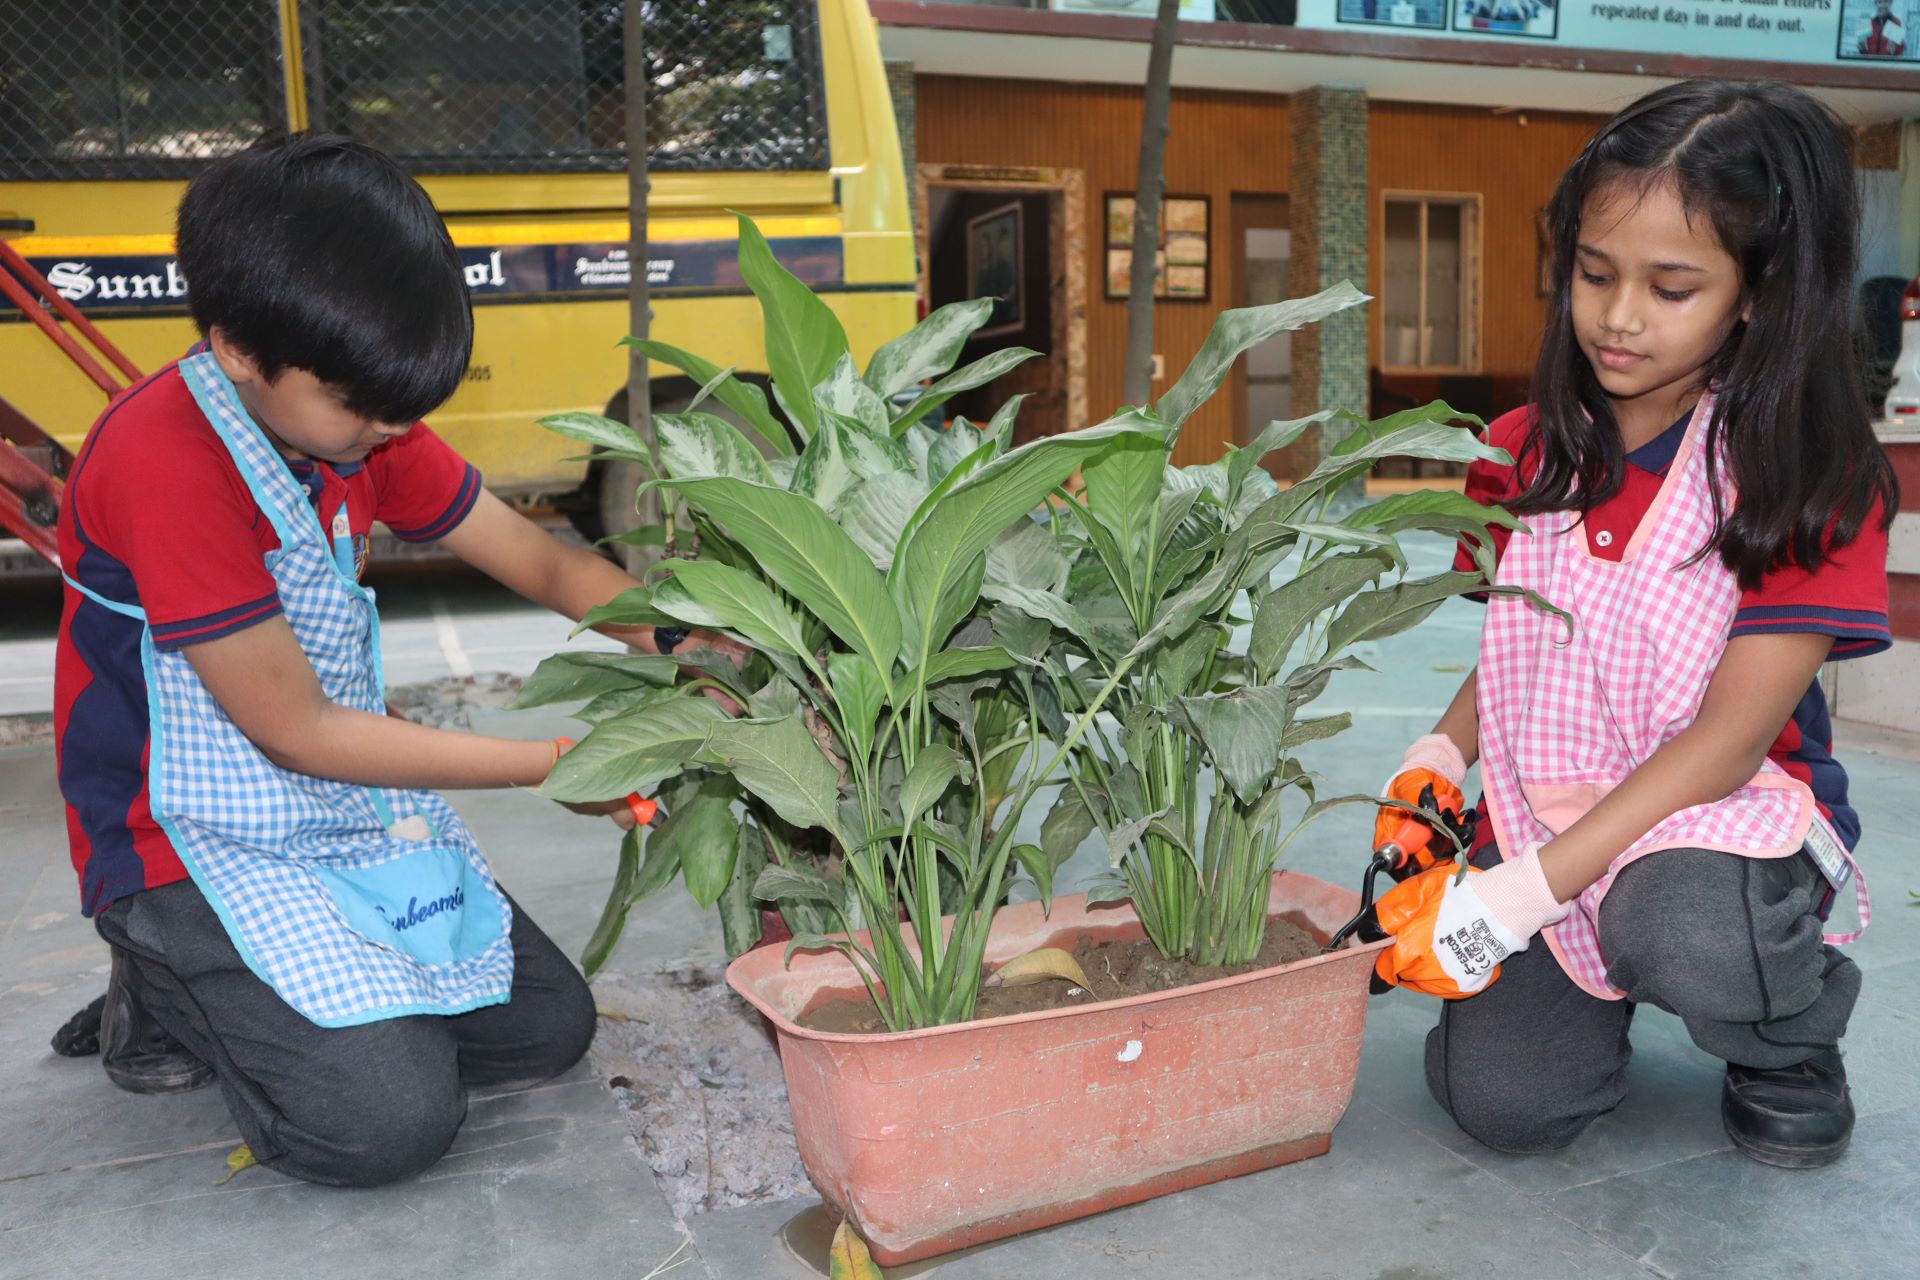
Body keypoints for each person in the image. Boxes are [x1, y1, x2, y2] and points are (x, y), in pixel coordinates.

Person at [48, 133, 741, 1187]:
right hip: (181, 835)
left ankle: (252, 989)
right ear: (239, 348)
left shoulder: (358, 419)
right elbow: (298, 729)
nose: (389, 431)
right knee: (385, 1123)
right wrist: (556, 762)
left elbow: (546, 566)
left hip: (332, 802)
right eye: (362, 408)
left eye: (398, 407)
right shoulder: (167, 459)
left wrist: (697, 642)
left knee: (547, 1028)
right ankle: (162, 973)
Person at [1363, 80, 1896, 1169]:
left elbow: (1729, 742)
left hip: (1722, 816)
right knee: (1502, 1103)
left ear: (1756, 293)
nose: (1618, 315)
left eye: (1673, 286)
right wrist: (1441, 751)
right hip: (1548, 795)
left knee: (1688, 932)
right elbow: (1523, 646)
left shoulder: (1804, 473)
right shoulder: (1519, 449)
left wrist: (1527, 888)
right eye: (1595, 274)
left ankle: (1784, 1029)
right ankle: (1583, 993)